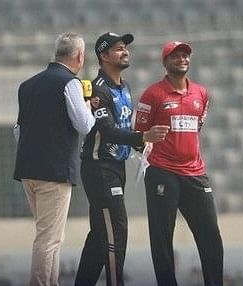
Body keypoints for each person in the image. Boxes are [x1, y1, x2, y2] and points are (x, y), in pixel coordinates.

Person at [74, 32, 169, 286]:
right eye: (118, 49)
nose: (125, 51)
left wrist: (142, 146)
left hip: (116, 167)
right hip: (99, 168)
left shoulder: (123, 87)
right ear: (104, 56)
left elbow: (122, 127)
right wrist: (142, 136)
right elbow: (106, 131)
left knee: (99, 236)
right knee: (117, 230)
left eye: (125, 47)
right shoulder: (97, 90)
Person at [134, 41, 223, 286]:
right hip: (162, 172)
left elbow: (198, 127)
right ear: (165, 63)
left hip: (195, 173)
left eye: (185, 55)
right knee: (162, 239)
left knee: (211, 236)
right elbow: (138, 134)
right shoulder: (152, 95)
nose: (182, 59)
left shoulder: (201, 94)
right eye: (175, 56)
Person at [13, 32, 95, 286]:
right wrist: (89, 107)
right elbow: (84, 125)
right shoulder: (70, 83)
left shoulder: (27, 85)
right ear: (79, 56)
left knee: (50, 236)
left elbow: (18, 130)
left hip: (29, 170)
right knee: (48, 240)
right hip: (55, 173)